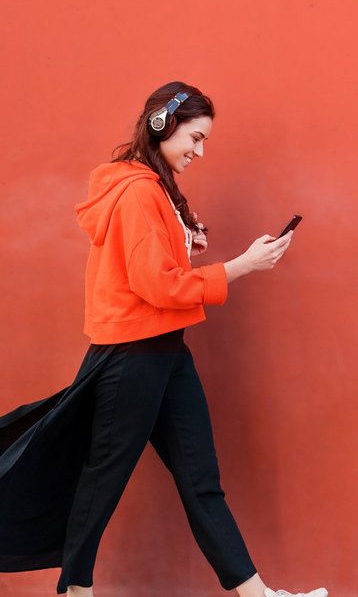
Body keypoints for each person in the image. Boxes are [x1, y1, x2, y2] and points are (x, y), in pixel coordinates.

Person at [0, 81, 328, 597]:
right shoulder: (137, 192)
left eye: (204, 142)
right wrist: (240, 266)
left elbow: (153, 272)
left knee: (200, 480)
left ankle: (258, 595)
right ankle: (76, 592)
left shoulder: (152, 189)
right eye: (194, 138)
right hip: (133, 357)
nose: (198, 152)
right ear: (162, 123)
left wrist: (183, 239)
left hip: (166, 352)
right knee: (102, 481)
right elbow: (155, 286)